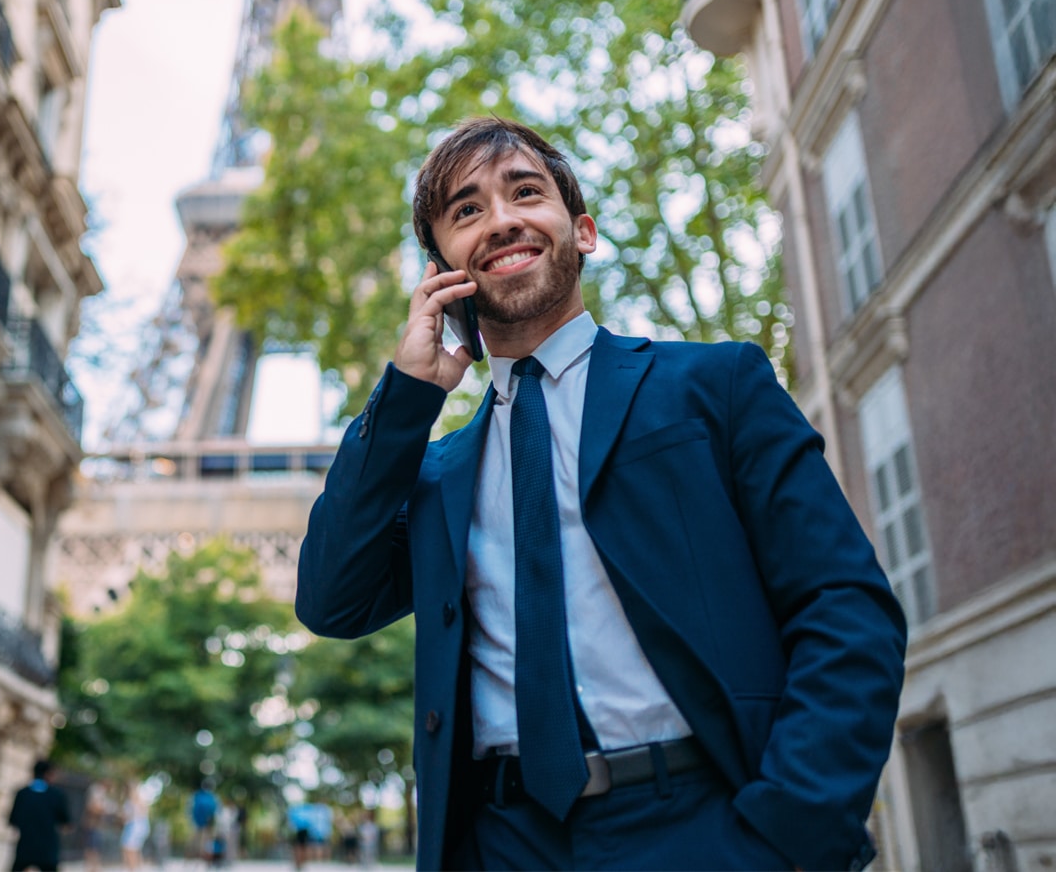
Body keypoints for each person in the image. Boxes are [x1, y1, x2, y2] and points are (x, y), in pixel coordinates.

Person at [295, 116, 908, 871]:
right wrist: (405, 401)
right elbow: (331, 599)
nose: (501, 220)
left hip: (702, 828)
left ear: (581, 231)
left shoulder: (714, 388)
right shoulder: (438, 473)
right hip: (503, 841)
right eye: (466, 210)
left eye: (525, 192)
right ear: (440, 273)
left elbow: (845, 609)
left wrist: (786, 833)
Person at [8, 758, 71, 872]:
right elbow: (65, 822)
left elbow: (13, 820)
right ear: (48, 774)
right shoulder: (57, 795)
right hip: (48, 850)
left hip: (25, 847)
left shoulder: (22, 794)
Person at [119, 782, 150, 871]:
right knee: (134, 850)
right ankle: (136, 869)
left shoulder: (135, 800)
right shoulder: (138, 800)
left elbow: (129, 816)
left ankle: (133, 869)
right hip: (136, 827)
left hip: (134, 828)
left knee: (130, 850)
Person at [188, 779, 218, 863]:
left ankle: (193, 858)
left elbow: (190, 809)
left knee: (195, 841)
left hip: (196, 822)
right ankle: (206, 858)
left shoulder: (196, 795)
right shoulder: (212, 797)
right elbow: (216, 810)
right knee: (207, 841)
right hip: (208, 823)